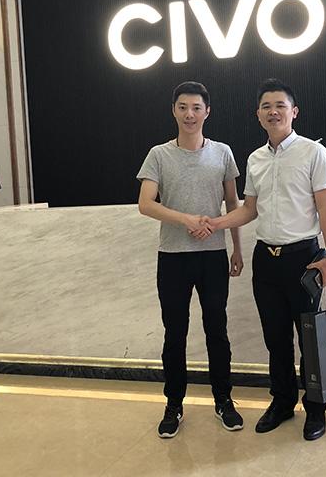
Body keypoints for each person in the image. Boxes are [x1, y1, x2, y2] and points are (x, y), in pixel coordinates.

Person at [205, 78, 326, 441]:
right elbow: (249, 209)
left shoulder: (314, 153)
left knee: (310, 340)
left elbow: (325, 209)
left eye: (280, 105)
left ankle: (316, 409)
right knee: (275, 339)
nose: (273, 111)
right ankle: (282, 402)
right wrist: (216, 223)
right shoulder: (255, 159)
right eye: (267, 106)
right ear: (258, 115)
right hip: (266, 260)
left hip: (304, 260)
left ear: (294, 112)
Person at [137, 81, 244, 438]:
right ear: (174, 111)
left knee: (217, 330)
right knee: (175, 334)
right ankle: (173, 405)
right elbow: (145, 204)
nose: (189, 114)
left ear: (207, 112)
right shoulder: (159, 154)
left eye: (196, 107)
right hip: (173, 258)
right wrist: (186, 219)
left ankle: (224, 400)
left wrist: (236, 248)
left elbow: (233, 205)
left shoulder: (223, 153)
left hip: (213, 256)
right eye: (183, 107)